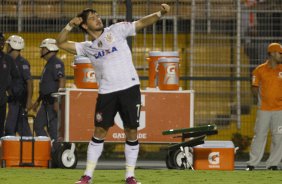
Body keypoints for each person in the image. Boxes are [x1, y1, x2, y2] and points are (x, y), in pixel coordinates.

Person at [56, 3, 170, 184]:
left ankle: (130, 176)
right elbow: (60, 42)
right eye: (92, 18)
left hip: (130, 88)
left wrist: (160, 13)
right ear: (85, 25)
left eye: (98, 16)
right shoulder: (87, 47)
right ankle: (87, 176)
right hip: (107, 92)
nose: (98, 19)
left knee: (132, 131)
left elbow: (141, 23)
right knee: (100, 131)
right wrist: (70, 25)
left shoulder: (116, 30)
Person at [246, 43, 282, 171]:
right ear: (272, 53)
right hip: (264, 109)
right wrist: (260, 100)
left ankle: (273, 164)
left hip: (279, 110)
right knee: (259, 136)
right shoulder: (259, 70)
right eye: (280, 53)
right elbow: (254, 87)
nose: (281, 56)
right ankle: (252, 163)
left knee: (279, 137)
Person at [32, 38, 65, 142]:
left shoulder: (56, 62)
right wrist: (38, 101)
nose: (41, 51)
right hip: (46, 102)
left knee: (52, 129)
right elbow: (46, 85)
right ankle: (50, 150)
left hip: (51, 102)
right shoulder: (50, 63)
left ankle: (55, 151)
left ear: (49, 48)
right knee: (39, 125)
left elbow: (62, 80)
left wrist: (57, 101)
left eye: (43, 48)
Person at [5, 35, 33, 136]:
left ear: (12, 46)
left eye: (8, 45)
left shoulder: (22, 63)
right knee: (21, 127)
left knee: (10, 127)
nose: (6, 48)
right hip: (13, 99)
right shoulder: (8, 61)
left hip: (19, 100)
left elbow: (29, 82)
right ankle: (29, 147)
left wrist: (29, 100)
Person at [0, 32, 19, 138]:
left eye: (2, 41)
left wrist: (11, 92)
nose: (2, 43)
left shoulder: (8, 59)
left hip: (2, 101)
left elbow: (16, 77)